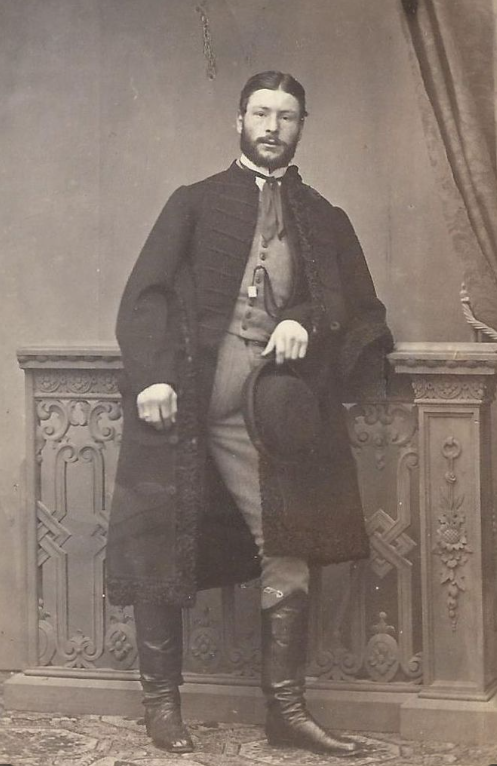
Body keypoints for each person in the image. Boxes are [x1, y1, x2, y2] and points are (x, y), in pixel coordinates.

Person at [105, 71, 392, 756]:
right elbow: (144, 295)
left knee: (286, 545)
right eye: (261, 113)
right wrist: (152, 377)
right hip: (179, 408)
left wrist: (304, 322)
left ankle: (286, 712)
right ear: (238, 121)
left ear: (300, 127)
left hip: (261, 418)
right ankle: (161, 708)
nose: (272, 127)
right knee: (159, 545)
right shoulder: (194, 203)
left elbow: (359, 311)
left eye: (286, 116)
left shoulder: (324, 218)